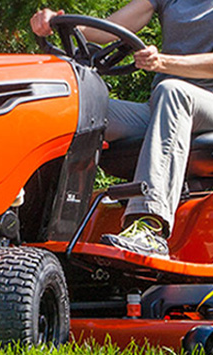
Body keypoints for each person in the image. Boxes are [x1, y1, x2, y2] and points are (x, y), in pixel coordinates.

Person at [31, 0, 213, 258]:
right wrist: (58, 23)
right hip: (165, 107)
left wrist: (163, 63)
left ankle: (150, 226)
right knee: (78, 105)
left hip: (203, 105)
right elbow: (110, 29)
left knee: (172, 91)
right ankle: (31, 219)